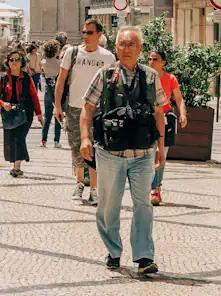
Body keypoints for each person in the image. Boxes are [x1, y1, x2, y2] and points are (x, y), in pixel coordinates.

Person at [80, 28, 167, 276]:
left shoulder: (150, 77)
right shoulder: (105, 75)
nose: (126, 48)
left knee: (143, 205)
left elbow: (159, 112)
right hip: (110, 153)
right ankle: (114, 251)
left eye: (132, 44)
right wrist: (85, 138)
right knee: (108, 205)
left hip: (142, 153)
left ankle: (143, 256)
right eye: (122, 44)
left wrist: (160, 147)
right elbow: (87, 109)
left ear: (140, 49)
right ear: (116, 48)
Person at [54, 19, 115, 204]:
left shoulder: (108, 57)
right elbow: (61, 80)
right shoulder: (72, 53)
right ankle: (80, 183)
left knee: (96, 149)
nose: (85, 36)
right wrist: (57, 106)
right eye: (84, 32)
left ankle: (94, 189)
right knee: (77, 149)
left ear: (99, 35)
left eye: (89, 33)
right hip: (74, 108)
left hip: (98, 110)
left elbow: (112, 85)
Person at [146, 49, 188, 206]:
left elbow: (178, 98)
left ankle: (156, 188)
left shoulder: (170, 79)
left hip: (165, 121)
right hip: (148, 120)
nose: (151, 61)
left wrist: (183, 114)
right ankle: (151, 187)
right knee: (150, 155)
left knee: (161, 156)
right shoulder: (144, 76)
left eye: (155, 59)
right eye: (149, 58)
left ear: (163, 62)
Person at [0, 49, 43, 177]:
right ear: (8, 62)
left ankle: (17, 167)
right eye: (11, 60)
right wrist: (3, 104)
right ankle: (15, 163)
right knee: (11, 139)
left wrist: (39, 114)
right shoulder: (3, 78)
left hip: (25, 112)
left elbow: (34, 96)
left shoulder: (27, 78)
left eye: (17, 60)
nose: (14, 62)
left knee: (19, 137)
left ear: (22, 62)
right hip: (9, 113)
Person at [40, 39, 62, 148]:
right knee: (58, 115)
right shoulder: (59, 63)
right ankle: (56, 140)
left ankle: (43, 139)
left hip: (48, 90)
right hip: (57, 90)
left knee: (47, 116)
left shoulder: (43, 62)